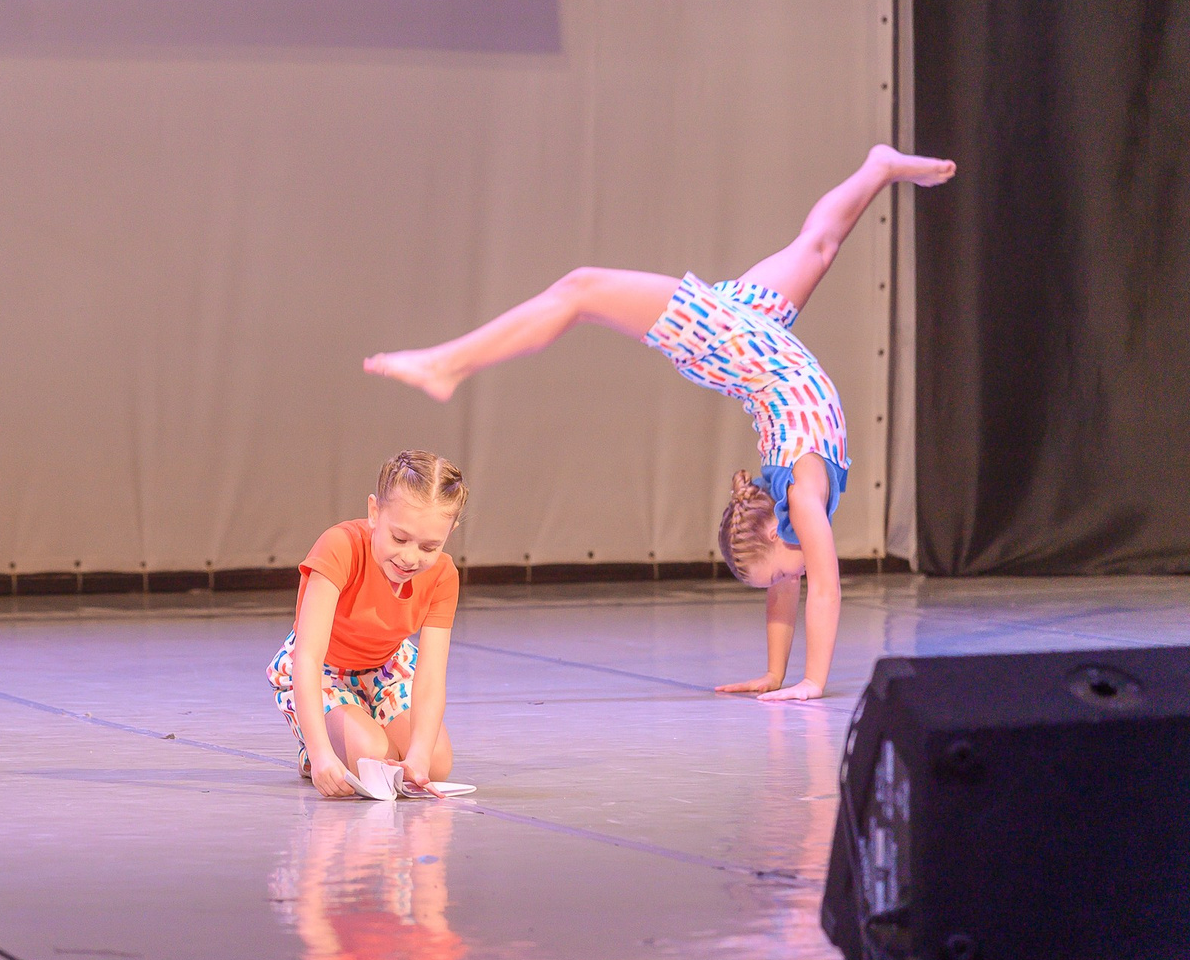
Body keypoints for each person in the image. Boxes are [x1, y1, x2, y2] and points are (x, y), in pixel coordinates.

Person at [365, 144, 956, 700]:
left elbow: (805, 587)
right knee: (799, 249)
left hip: (749, 350)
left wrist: (796, 679)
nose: (787, 585)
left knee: (597, 286)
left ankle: (447, 363)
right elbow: (814, 588)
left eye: (778, 577)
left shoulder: (796, 503)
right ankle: (878, 169)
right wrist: (795, 679)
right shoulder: (798, 502)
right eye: (779, 579)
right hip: (752, 348)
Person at [269, 451, 466, 797]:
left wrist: (418, 758)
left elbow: (431, 677)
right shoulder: (339, 547)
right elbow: (308, 658)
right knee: (372, 756)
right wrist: (320, 754)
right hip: (326, 671)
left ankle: (367, 727)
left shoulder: (443, 575)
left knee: (436, 763)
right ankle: (318, 746)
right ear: (374, 512)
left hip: (386, 667)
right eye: (399, 538)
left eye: (429, 547)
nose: (410, 557)